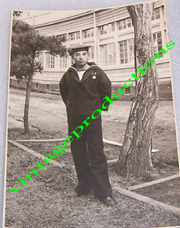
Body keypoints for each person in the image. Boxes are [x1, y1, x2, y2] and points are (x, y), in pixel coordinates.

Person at [59, 45, 116, 206]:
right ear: (73, 57)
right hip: (75, 119)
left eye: (84, 54)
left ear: (88, 55)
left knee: (96, 152)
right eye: (77, 54)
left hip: (92, 118)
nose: (81, 57)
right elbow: (64, 91)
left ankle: (103, 192)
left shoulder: (97, 72)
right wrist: (71, 106)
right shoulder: (69, 75)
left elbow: (106, 87)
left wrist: (103, 106)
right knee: (78, 151)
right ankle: (84, 186)